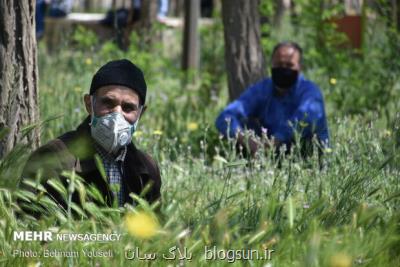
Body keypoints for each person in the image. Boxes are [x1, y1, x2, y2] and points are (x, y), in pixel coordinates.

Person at [19, 59, 161, 214]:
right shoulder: (55, 158)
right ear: (89, 104)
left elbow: (155, 229)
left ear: (141, 113)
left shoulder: (147, 169)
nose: (117, 115)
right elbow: (32, 227)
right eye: (108, 103)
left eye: (128, 108)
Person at [215, 41, 329, 156]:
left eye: (289, 65)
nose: (283, 69)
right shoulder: (262, 89)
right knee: (244, 123)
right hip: (271, 157)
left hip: (307, 159)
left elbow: (305, 119)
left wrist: (273, 142)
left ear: (300, 67)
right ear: (271, 64)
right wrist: (246, 140)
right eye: (279, 64)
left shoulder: (310, 92)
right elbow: (225, 116)